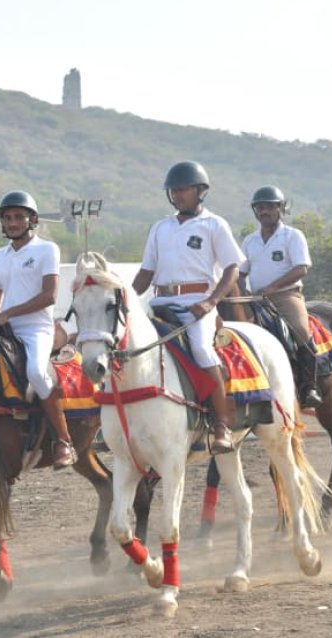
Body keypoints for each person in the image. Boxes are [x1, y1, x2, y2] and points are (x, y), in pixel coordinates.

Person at [132, 161, 244, 453]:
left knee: (202, 350)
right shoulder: (160, 227)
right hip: (159, 301)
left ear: (200, 191)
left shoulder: (214, 225)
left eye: (183, 189)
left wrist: (211, 302)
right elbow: (146, 272)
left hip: (197, 304)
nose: (177, 195)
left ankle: (221, 425)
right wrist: (127, 300)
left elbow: (232, 267)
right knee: (129, 346)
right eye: (174, 190)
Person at [0, 191, 76, 469]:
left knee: (35, 371)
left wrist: (6, 313)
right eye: (7, 218)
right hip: (5, 326)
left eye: (18, 217)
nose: (12, 222)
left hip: (37, 327)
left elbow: (49, 296)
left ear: (32, 219)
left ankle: (63, 441)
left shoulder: (47, 249)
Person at [239, 185, 323, 409]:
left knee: (301, 332)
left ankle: (309, 388)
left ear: (280, 209)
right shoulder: (249, 241)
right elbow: (240, 271)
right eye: (259, 207)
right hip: (255, 299)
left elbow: (301, 268)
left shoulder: (292, 236)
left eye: (269, 207)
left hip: (286, 296)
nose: (263, 211)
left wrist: (273, 288)